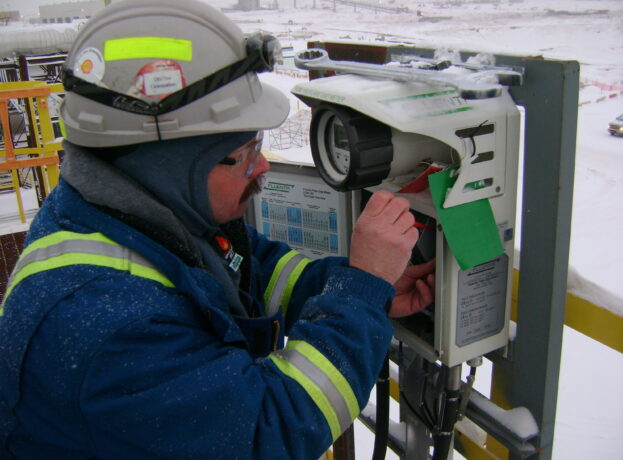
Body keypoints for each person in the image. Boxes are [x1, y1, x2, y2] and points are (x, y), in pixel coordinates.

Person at [0, 0, 435, 458]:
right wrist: (360, 293)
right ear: (173, 165)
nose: (262, 164)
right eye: (245, 150)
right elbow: (268, 431)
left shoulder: (137, 213)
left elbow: (245, 268)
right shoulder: (112, 324)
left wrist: (353, 283)